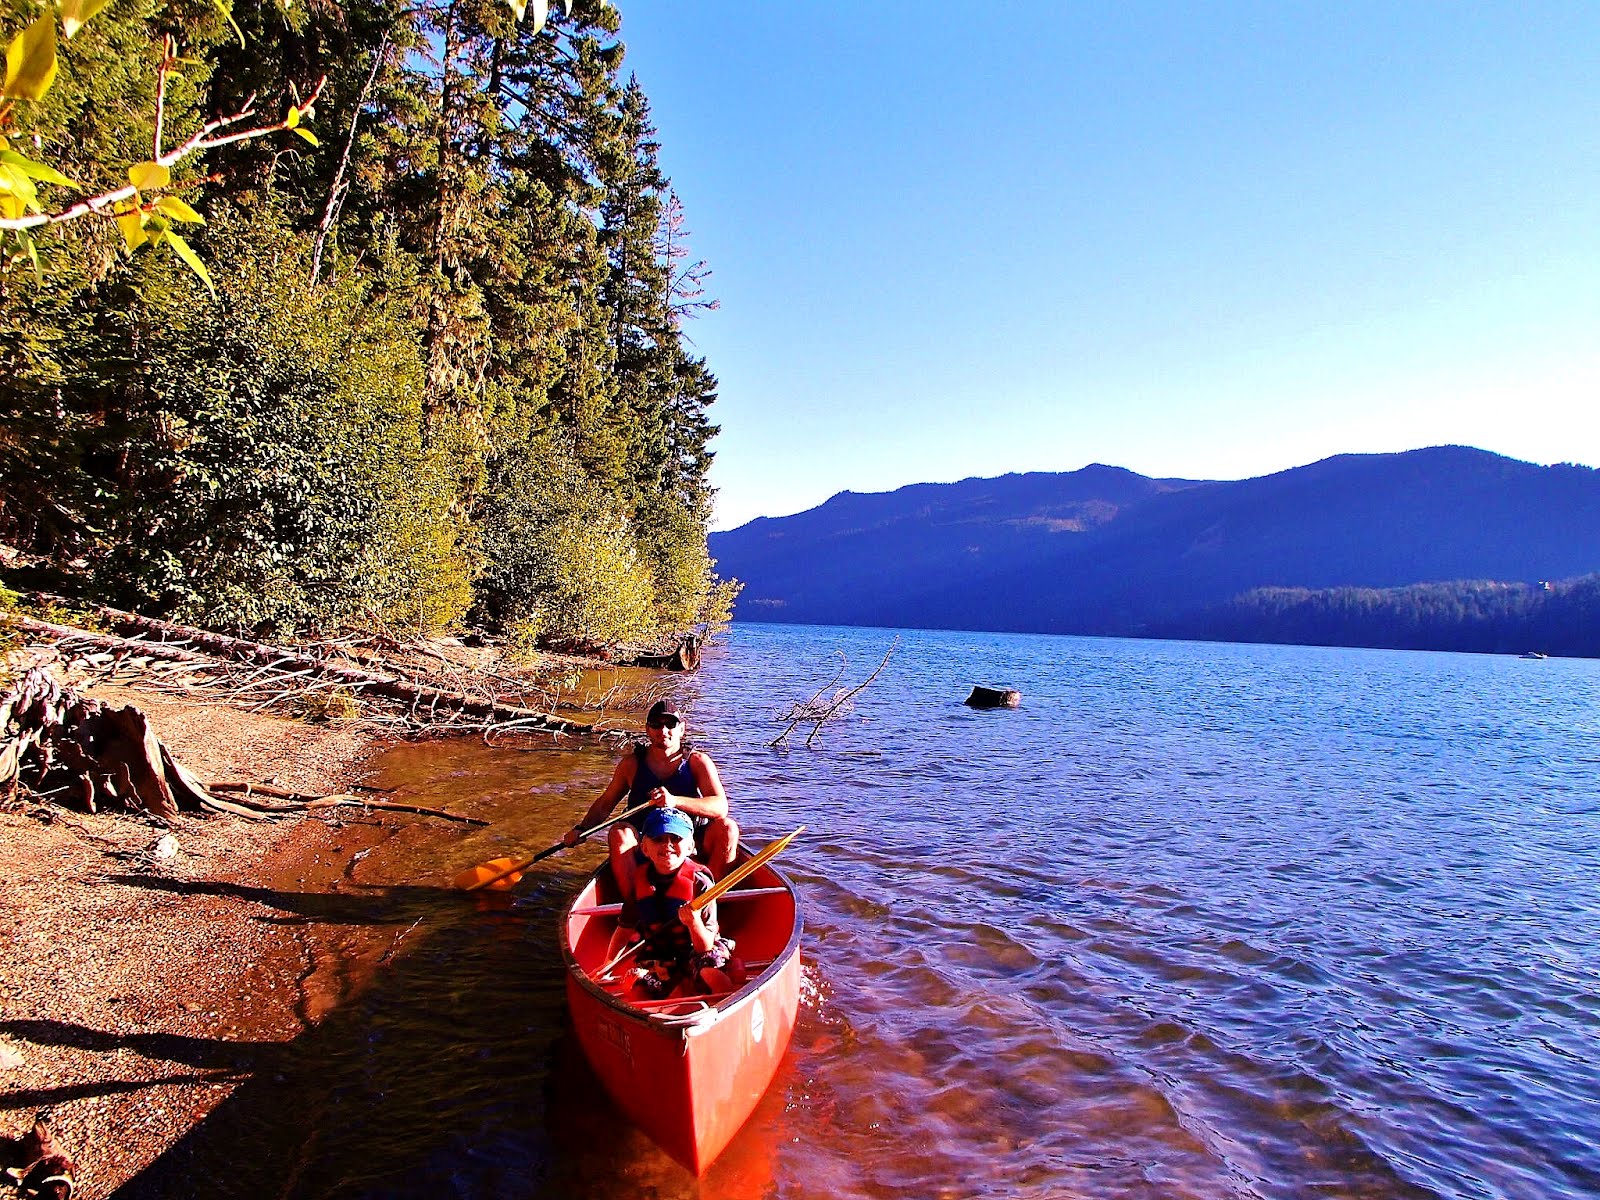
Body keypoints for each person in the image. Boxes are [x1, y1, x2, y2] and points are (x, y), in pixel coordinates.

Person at [563, 699, 739, 890]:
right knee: (619, 833)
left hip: (686, 840)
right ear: (647, 729)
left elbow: (720, 807)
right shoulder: (631, 764)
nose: (663, 730)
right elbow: (605, 804)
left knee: (728, 828)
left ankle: (709, 896)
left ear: (681, 729)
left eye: (670, 724)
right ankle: (635, 901)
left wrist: (674, 801)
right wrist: (581, 829)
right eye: (656, 724)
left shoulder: (698, 762)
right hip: (645, 841)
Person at [603, 806, 736, 998]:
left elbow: (705, 946)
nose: (667, 845)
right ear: (644, 848)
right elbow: (624, 930)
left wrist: (694, 922)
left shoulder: (701, 883)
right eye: (658, 839)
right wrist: (608, 965)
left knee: (711, 973)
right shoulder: (640, 882)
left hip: (698, 949)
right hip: (662, 954)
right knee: (637, 983)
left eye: (676, 838)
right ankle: (675, 988)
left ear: (690, 847)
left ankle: (724, 1002)